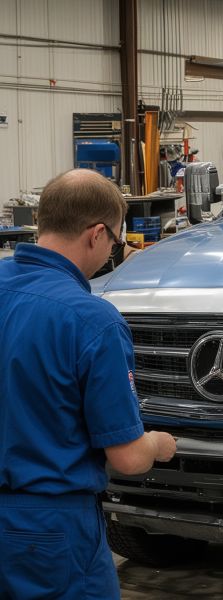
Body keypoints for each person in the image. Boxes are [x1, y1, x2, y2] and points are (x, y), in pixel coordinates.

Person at [0, 169, 177, 599]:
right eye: (116, 241)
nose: (113, 251)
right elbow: (128, 458)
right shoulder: (92, 320)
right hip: (51, 529)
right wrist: (158, 444)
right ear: (97, 234)